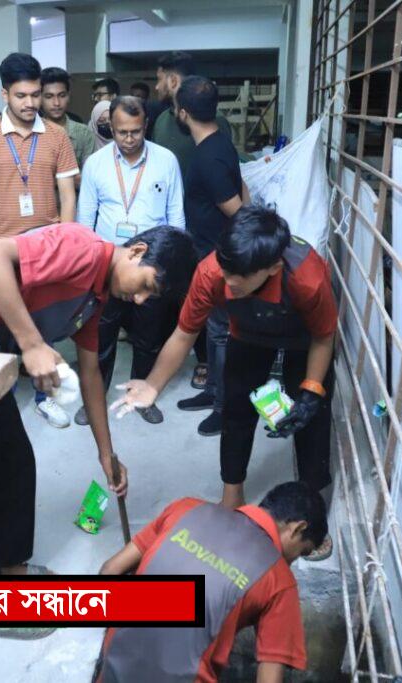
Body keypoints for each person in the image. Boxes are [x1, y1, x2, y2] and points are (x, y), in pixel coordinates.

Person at [0, 223, 196, 579]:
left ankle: (10, 565)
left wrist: (106, 455)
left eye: (149, 297)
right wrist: (32, 345)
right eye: (145, 286)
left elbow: (91, 375)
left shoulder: (95, 300)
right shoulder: (83, 248)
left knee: (15, 463)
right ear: (137, 252)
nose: (139, 300)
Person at [112, 205, 337, 561]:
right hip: (248, 334)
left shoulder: (308, 277)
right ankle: (232, 496)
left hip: (303, 339)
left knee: (313, 419)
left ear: (272, 268)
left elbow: (324, 337)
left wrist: (311, 391)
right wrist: (153, 385)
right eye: (226, 270)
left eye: (239, 277)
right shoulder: (213, 271)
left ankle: (313, 514)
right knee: (235, 410)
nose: (229, 282)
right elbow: (185, 333)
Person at [96, 481, 328, 683]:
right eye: (301, 552)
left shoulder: (185, 509)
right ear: (297, 528)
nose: (291, 562)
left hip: (113, 669)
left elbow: (110, 570)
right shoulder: (279, 580)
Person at [0, 52, 80, 428]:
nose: (30, 103)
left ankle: (46, 396)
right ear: (5, 94)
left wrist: (64, 246)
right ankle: (1, 402)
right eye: (21, 96)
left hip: (44, 251)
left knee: (43, 326)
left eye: (35, 94)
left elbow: (68, 196)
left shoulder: (57, 136)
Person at [75, 95, 184, 426]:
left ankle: (143, 395)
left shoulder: (166, 161)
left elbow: (176, 217)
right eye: (121, 131)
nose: (129, 139)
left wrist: (171, 269)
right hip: (108, 268)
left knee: (148, 338)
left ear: (145, 125)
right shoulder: (96, 164)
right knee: (101, 337)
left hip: (150, 269)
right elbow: (85, 221)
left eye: (136, 131)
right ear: (111, 126)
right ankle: (94, 398)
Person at [173, 75, 246, 436]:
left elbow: (236, 209)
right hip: (211, 253)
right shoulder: (220, 144)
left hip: (219, 257)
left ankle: (223, 407)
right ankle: (214, 392)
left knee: (221, 333)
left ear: (182, 113)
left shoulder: (209, 157)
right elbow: (242, 190)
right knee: (215, 329)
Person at [151, 51, 232, 179]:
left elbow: (225, 170)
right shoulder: (161, 120)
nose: (156, 87)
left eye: (159, 79)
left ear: (173, 81)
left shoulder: (213, 119)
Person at [40, 66, 93, 170]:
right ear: (40, 98)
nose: (56, 103)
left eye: (62, 95)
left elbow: (90, 174)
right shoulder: (31, 132)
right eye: (49, 97)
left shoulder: (83, 133)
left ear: (68, 96)